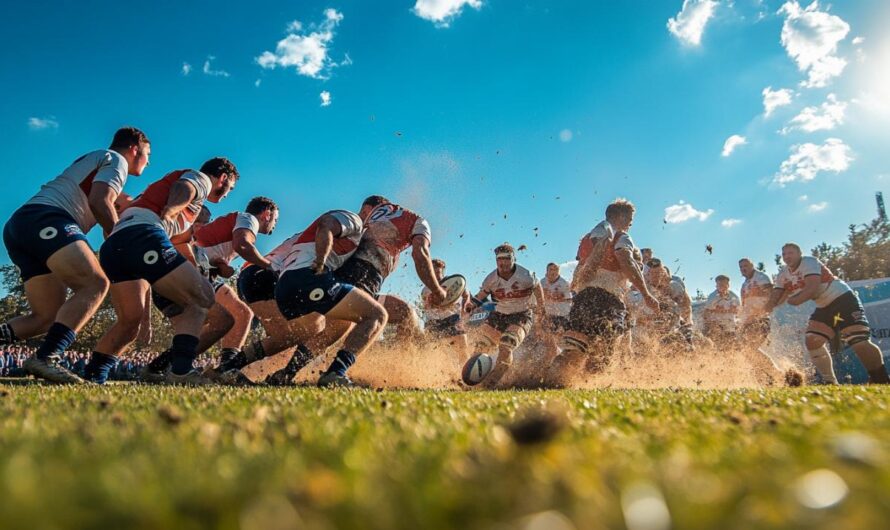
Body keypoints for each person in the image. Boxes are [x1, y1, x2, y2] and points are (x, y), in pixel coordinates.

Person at [2, 127, 150, 383]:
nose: (149, 161)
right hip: (47, 218)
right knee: (95, 283)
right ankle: (47, 357)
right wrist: (121, 242)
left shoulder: (97, 158)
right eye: (148, 154)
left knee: (46, 317)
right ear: (135, 148)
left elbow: (102, 205)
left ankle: (44, 353)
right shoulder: (116, 160)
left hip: (23, 224)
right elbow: (100, 200)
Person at [83, 157, 238, 384]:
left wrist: (198, 271)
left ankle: (94, 375)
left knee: (129, 323)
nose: (227, 194)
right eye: (230, 188)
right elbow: (184, 187)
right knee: (200, 298)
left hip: (115, 245)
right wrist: (171, 209)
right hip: (144, 235)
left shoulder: (175, 211)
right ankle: (181, 372)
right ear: (223, 178)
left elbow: (181, 245)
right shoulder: (201, 180)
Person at [144, 197, 279, 382]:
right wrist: (269, 266)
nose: (274, 226)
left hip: (187, 275)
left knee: (232, 317)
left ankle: (160, 367)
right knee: (232, 317)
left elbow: (209, 253)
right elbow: (243, 245)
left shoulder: (231, 224)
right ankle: (223, 368)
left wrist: (219, 266)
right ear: (266, 214)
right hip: (184, 275)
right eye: (275, 220)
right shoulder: (248, 219)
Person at [272, 204, 389, 387]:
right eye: (379, 216)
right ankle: (336, 373)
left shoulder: (353, 235)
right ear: (367, 210)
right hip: (308, 277)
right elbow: (326, 224)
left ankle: (247, 367)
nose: (381, 224)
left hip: (286, 286)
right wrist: (320, 262)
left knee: (338, 326)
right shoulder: (355, 220)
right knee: (377, 315)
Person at [547, 199, 659, 386]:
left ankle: (548, 380)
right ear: (620, 217)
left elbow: (580, 269)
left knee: (574, 349)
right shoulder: (621, 236)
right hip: (608, 300)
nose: (631, 223)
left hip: (584, 298)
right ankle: (585, 384)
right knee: (604, 354)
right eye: (630, 218)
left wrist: (578, 287)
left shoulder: (587, 237)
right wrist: (646, 294)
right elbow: (625, 260)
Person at [766, 243, 890, 384]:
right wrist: (763, 310)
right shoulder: (783, 273)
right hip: (824, 306)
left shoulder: (809, 261)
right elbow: (776, 295)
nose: (787, 256)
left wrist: (795, 299)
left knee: (858, 340)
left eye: (790, 253)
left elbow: (812, 287)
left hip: (843, 299)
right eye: (784, 254)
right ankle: (830, 382)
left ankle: (880, 378)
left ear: (799, 253)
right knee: (812, 341)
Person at [464, 243, 546, 389]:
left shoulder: (525, 275)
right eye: (500, 259)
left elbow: (537, 286)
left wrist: (541, 307)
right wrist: (471, 305)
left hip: (521, 315)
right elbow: (482, 295)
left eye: (507, 258)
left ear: (513, 258)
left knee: (507, 345)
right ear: (496, 261)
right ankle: (471, 382)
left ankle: (490, 384)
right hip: (498, 315)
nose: (504, 263)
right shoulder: (490, 279)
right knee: (480, 346)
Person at [422, 259, 469, 364]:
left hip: (452, 318)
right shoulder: (426, 290)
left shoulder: (454, 281)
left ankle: (465, 375)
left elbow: (466, 294)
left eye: (438, 272)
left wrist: (464, 308)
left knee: (462, 349)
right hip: (433, 322)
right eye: (433, 272)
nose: (437, 275)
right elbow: (426, 307)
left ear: (443, 271)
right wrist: (437, 305)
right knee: (437, 355)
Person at [540, 262, 573, 361]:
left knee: (557, 339)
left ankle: (557, 357)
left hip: (562, 315)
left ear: (559, 272)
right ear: (546, 271)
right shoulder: (542, 281)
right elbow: (541, 296)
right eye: (551, 270)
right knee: (548, 340)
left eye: (556, 270)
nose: (553, 272)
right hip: (548, 314)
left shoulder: (564, 283)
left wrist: (552, 295)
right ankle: (552, 358)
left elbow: (564, 297)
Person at [701, 275, 741, 346]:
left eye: (724, 284)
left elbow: (738, 311)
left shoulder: (733, 296)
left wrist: (720, 310)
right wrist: (708, 325)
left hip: (730, 326)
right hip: (716, 326)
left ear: (728, 285)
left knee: (730, 346)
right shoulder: (712, 297)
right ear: (716, 286)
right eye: (720, 285)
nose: (722, 287)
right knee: (718, 345)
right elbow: (706, 312)